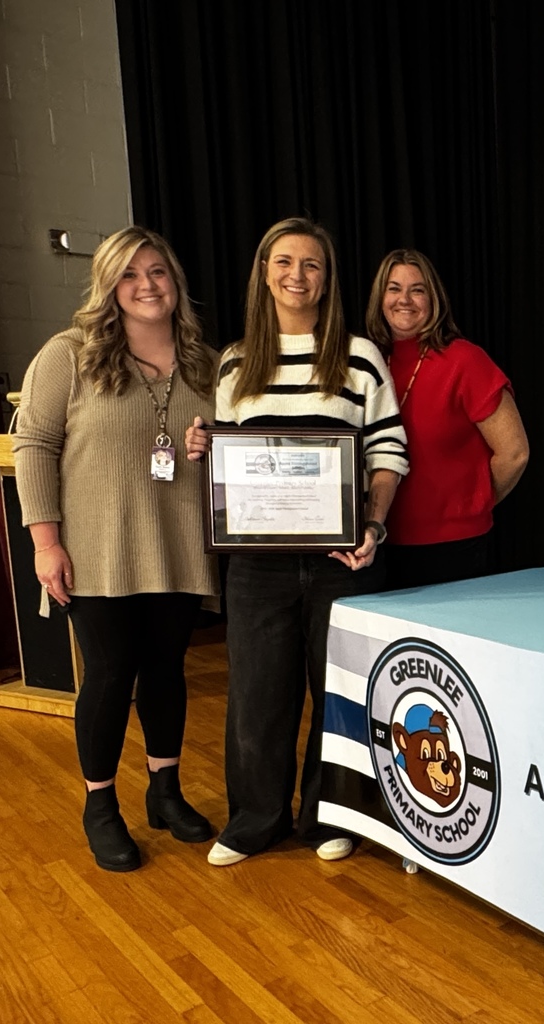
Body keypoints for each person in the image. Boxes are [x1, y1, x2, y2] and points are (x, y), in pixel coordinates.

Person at [186, 217, 409, 865]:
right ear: (264, 272)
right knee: (258, 694)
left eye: (311, 264)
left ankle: (328, 816)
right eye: (284, 262)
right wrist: (204, 450)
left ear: (327, 278)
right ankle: (255, 820)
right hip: (258, 566)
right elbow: (232, 463)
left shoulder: (360, 356)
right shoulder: (234, 363)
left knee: (338, 692)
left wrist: (372, 525)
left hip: (345, 560)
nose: (297, 275)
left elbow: (389, 451)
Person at [13, 226, 219, 872]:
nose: (146, 285)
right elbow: (33, 445)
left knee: (165, 668)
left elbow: (236, 452)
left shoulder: (206, 364)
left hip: (178, 545)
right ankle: (100, 805)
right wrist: (45, 542)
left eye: (157, 271)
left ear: (175, 282)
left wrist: (212, 448)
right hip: (97, 550)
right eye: (129, 275)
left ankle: (164, 790)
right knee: (109, 673)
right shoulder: (68, 355)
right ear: (108, 285)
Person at [365, 248, 529, 589]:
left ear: (433, 298)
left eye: (417, 289)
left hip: (453, 547)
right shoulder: (369, 362)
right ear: (380, 298)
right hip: (378, 543)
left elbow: (514, 453)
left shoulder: (465, 361)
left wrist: (472, 503)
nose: (404, 299)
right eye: (393, 288)